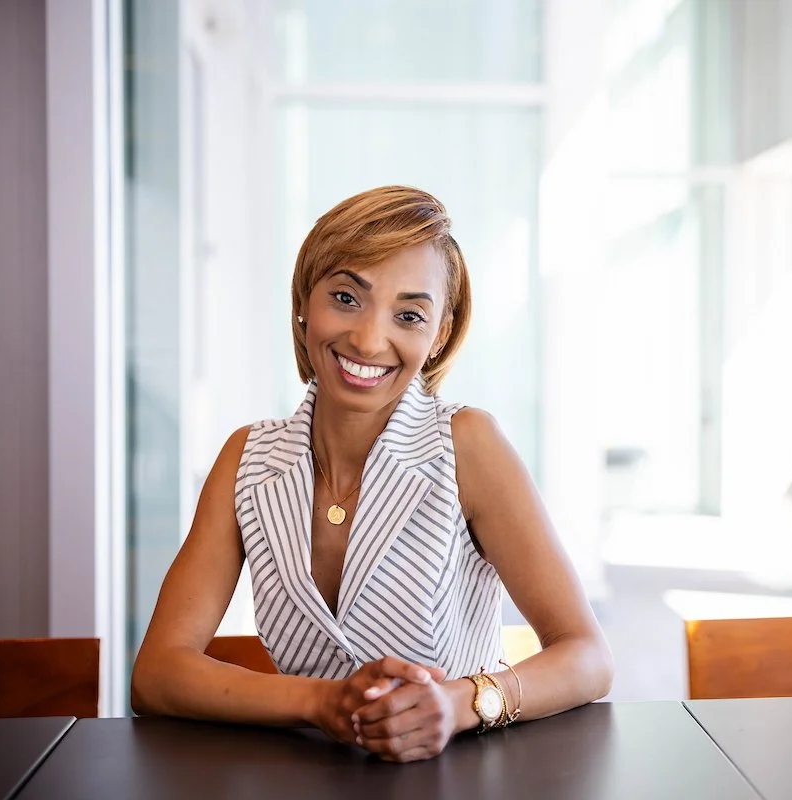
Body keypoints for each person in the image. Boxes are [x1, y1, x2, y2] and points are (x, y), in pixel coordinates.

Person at [131, 186, 613, 762]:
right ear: (304, 301)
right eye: (346, 297)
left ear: (438, 333)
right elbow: (157, 673)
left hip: (459, 776)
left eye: (408, 314)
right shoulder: (248, 460)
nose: (368, 339)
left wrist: (462, 703)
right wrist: (319, 703)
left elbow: (588, 656)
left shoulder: (468, 447)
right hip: (309, 778)